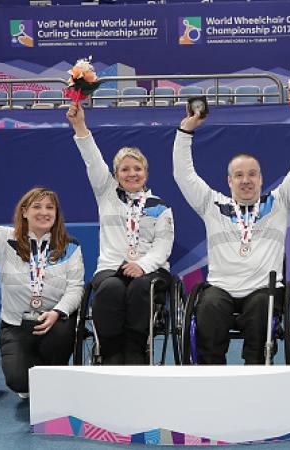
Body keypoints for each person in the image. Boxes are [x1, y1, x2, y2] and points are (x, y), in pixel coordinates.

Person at [173, 104, 290, 365]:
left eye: (252, 174)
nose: (246, 180)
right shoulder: (212, 205)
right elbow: (183, 175)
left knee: (262, 308)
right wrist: (185, 132)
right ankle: (212, 377)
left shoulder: (279, 203)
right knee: (208, 306)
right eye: (238, 175)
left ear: (261, 179)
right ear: (229, 181)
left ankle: (255, 373)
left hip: (262, 289)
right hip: (221, 289)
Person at [0, 156, 83, 397]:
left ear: (56, 213)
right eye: (36, 206)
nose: (43, 212)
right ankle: (30, 373)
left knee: (54, 366)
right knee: (18, 383)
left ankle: (52, 371)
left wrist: (57, 313)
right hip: (15, 326)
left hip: (55, 324)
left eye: (49, 207)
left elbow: (76, 288)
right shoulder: (3, 240)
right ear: (24, 212)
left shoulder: (70, 247)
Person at [67, 103, 174, 365]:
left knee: (139, 288)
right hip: (111, 268)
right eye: (124, 169)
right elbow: (92, 159)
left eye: (137, 169)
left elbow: (163, 246)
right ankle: (111, 351)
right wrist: (80, 126)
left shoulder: (161, 207)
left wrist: (143, 265)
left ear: (146, 174)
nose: (131, 174)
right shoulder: (106, 193)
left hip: (150, 271)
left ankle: (136, 350)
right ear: (115, 175)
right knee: (111, 288)